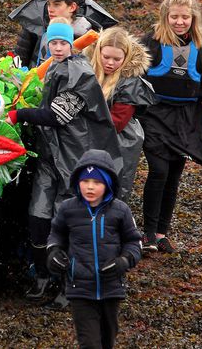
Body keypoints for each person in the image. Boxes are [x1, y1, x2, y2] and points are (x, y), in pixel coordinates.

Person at [7, 18, 121, 308]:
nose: (57, 48)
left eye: (63, 43)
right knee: (38, 215)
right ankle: (42, 276)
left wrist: (18, 115)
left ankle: (68, 285)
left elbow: (57, 115)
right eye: (53, 42)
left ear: (72, 45)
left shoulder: (79, 73)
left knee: (68, 220)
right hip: (50, 154)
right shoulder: (55, 66)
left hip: (74, 158)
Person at [140, 0, 202, 253]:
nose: (180, 22)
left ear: (193, 18)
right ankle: (147, 234)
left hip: (186, 120)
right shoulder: (150, 42)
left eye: (185, 17)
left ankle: (161, 233)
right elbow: (128, 75)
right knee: (158, 170)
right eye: (174, 17)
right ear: (165, 16)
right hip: (154, 114)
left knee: (173, 174)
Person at [47, 149, 142, 349]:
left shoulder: (121, 210)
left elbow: (134, 243)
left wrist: (124, 261)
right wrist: (53, 252)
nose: (90, 187)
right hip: (79, 289)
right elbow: (56, 235)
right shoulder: (67, 209)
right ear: (77, 182)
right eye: (85, 181)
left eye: (97, 183)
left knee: (107, 341)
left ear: (108, 184)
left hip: (112, 289)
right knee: (90, 344)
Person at [84, 27, 157, 202]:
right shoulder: (85, 71)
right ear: (98, 52)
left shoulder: (130, 82)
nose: (110, 63)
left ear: (126, 58)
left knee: (111, 188)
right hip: (90, 135)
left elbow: (116, 122)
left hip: (119, 142)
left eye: (117, 59)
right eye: (106, 57)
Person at [9, 0, 97, 68]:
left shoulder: (87, 38)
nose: (50, 9)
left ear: (72, 7)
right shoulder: (35, 25)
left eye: (56, 4)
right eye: (48, 3)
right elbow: (17, 65)